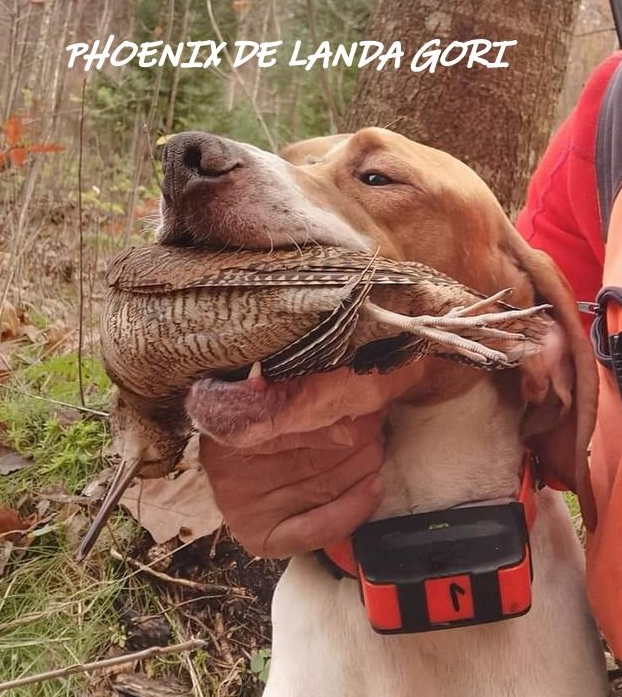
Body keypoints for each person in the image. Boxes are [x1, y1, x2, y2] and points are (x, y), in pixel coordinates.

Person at [201, 52, 622, 658]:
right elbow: (557, 399)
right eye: (301, 167)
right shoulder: (607, 122)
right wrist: (233, 448)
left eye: (373, 177)